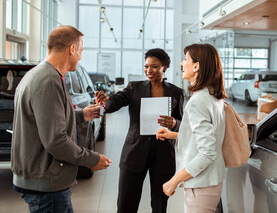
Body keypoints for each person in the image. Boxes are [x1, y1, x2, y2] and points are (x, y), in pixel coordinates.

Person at [11, 26, 112, 213]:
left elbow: (46, 120)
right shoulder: (48, 80)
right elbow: (55, 140)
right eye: (81, 51)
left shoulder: (40, 75)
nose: (81, 56)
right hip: (45, 184)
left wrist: (82, 115)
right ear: (72, 49)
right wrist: (91, 159)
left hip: (45, 182)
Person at [96, 48, 184, 213]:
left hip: (163, 154)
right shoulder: (134, 88)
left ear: (164, 67)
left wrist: (174, 123)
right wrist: (104, 102)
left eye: (154, 66)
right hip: (135, 152)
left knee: (159, 206)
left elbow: (182, 123)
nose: (149, 71)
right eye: (146, 66)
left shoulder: (176, 92)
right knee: (125, 204)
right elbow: (114, 103)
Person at [156, 43, 227, 212]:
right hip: (210, 181)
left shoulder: (198, 101)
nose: (181, 63)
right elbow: (206, 137)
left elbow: (207, 153)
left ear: (197, 66)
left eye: (185, 59)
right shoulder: (211, 95)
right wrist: (174, 135)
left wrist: (174, 180)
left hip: (201, 185)